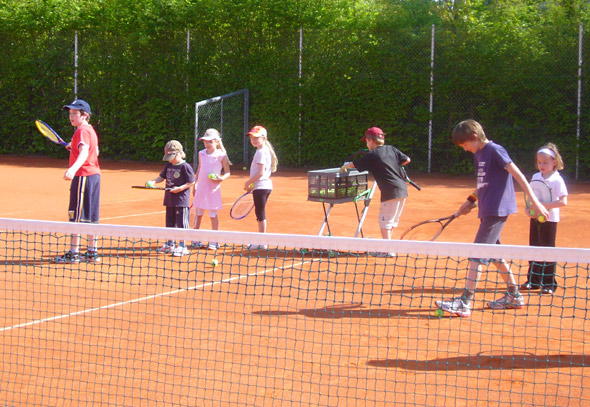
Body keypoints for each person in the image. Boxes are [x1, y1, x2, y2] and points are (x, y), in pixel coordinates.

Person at [435, 119, 549, 317]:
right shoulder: (478, 154)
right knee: (495, 255)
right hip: (487, 210)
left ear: (474, 137)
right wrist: (469, 201)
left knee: (477, 254)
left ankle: (464, 302)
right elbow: (483, 184)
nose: (465, 149)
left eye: (465, 145)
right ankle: (514, 296)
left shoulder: (495, 150)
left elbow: (519, 175)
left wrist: (536, 203)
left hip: (496, 211)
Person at [339, 127, 411, 257]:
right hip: (402, 189)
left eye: (366, 141)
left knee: (384, 221)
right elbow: (407, 160)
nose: (366, 144)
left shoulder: (372, 155)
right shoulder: (392, 149)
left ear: (371, 140)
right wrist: (394, 166)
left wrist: (345, 166)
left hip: (390, 191)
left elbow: (355, 164)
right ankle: (388, 246)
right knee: (391, 220)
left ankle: (388, 250)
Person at [55, 99, 102, 264]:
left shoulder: (81, 130)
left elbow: (85, 152)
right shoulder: (90, 130)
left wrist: (73, 169)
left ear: (85, 116)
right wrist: (73, 146)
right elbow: (95, 150)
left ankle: (74, 253)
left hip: (83, 175)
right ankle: (92, 252)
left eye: (75, 113)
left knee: (76, 215)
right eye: (70, 113)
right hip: (94, 176)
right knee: (91, 216)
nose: (71, 117)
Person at [521, 143, 568, 295]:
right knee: (534, 248)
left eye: (545, 162)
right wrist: (528, 209)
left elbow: (563, 201)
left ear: (554, 162)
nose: (541, 165)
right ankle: (533, 281)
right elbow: (530, 197)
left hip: (550, 219)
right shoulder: (535, 177)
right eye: (539, 162)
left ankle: (549, 283)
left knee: (547, 250)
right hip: (535, 218)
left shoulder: (557, 180)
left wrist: (543, 206)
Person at [147, 140, 195, 257]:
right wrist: (153, 182)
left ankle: (183, 246)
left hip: (181, 201)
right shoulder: (168, 165)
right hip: (169, 200)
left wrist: (179, 189)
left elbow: (191, 182)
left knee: (181, 224)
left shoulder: (185, 167)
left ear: (178, 153)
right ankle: (170, 244)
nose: (170, 160)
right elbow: (161, 177)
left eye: (172, 157)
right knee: (169, 223)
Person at [191, 128, 231, 250]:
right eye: (205, 141)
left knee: (213, 214)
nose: (207, 144)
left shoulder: (222, 155)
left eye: (210, 142)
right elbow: (199, 169)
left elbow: (228, 172)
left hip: (213, 188)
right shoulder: (201, 153)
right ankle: (195, 239)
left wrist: (221, 179)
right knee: (199, 213)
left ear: (217, 142)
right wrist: (195, 184)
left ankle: (214, 240)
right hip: (201, 188)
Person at [243, 125, 278, 249]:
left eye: (256, 137)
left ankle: (262, 241)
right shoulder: (263, 151)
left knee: (260, 214)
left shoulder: (261, 152)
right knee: (260, 213)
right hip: (264, 186)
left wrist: (248, 183)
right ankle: (261, 240)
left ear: (264, 138)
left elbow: (260, 173)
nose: (253, 140)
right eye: (252, 137)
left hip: (261, 186)